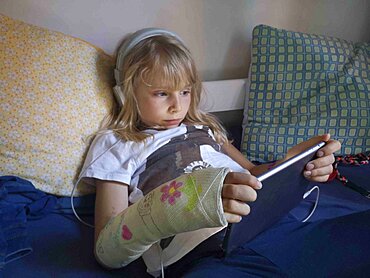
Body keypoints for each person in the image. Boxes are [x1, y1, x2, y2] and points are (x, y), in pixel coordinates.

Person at [79, 28, 358, 277]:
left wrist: (295, 165)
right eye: (162, 94)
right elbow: (108, 248)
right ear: (126, 95)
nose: (178, 106)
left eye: (185, 92)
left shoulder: (204, 128)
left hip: (271, 226)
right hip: (205, 250)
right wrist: (187, 202)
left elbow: (253, 174)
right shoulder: (117, 143)